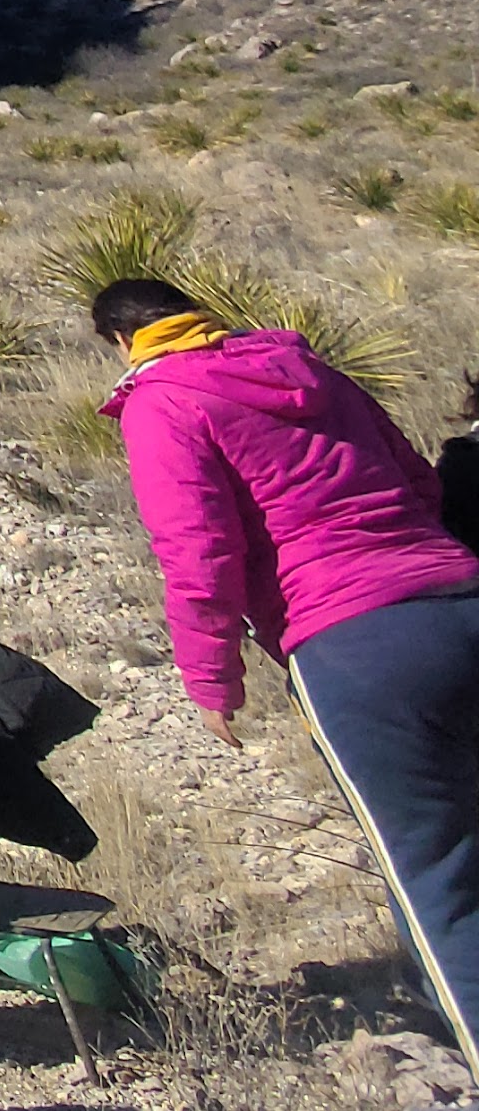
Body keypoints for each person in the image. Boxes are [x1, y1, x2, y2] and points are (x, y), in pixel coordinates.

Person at [102, 277, 479, 1044]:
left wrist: (211, 676)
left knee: (436, 876)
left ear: (118, 340)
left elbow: (199, 551)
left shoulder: (161, 401)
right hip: (460, 593)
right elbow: (418, 477)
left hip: (355, 643)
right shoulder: (312, 369)